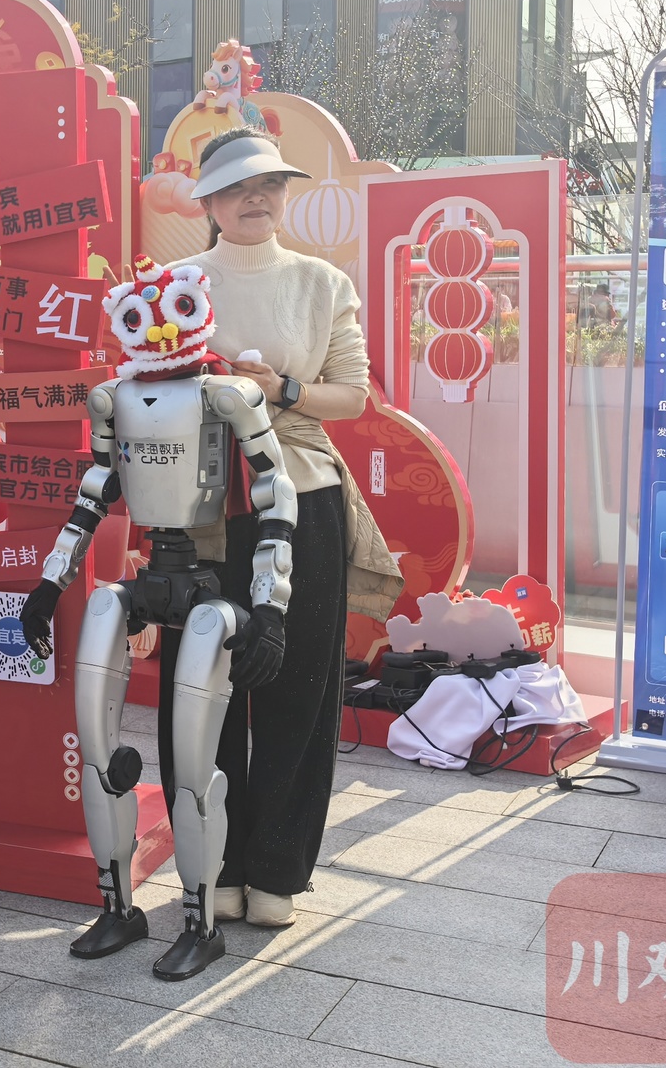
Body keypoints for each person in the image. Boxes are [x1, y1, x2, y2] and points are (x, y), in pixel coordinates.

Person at [184, 127, 400, 931]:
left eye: (270, 183)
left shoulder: (322, 282)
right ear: (208, 200)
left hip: (303, 495)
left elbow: (354, 394)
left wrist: (280, 388)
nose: (256, 197)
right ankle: (214, 864)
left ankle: (276, 870)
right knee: (202, 685)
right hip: (205, 506)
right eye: (238, 186)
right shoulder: (175, 284)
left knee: (300, 683)